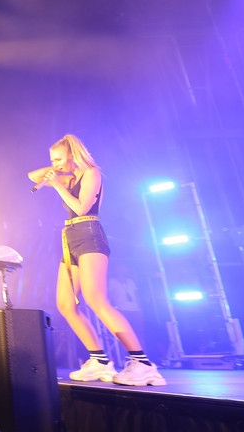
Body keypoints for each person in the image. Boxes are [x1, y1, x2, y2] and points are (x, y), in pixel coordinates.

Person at [29, 134, 166, 386]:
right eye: (52, 159)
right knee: (66, 304)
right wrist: (55, 170)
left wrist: (57, 184)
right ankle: (99, 360)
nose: (55, 163)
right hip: (70, 237)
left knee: (96, 299)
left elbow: (81, 208)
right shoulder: (66, 175)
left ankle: (142, 363)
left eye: (59, 158)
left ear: (72, 155)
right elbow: (32, 176)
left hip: (89, 233)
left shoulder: (91, 173)